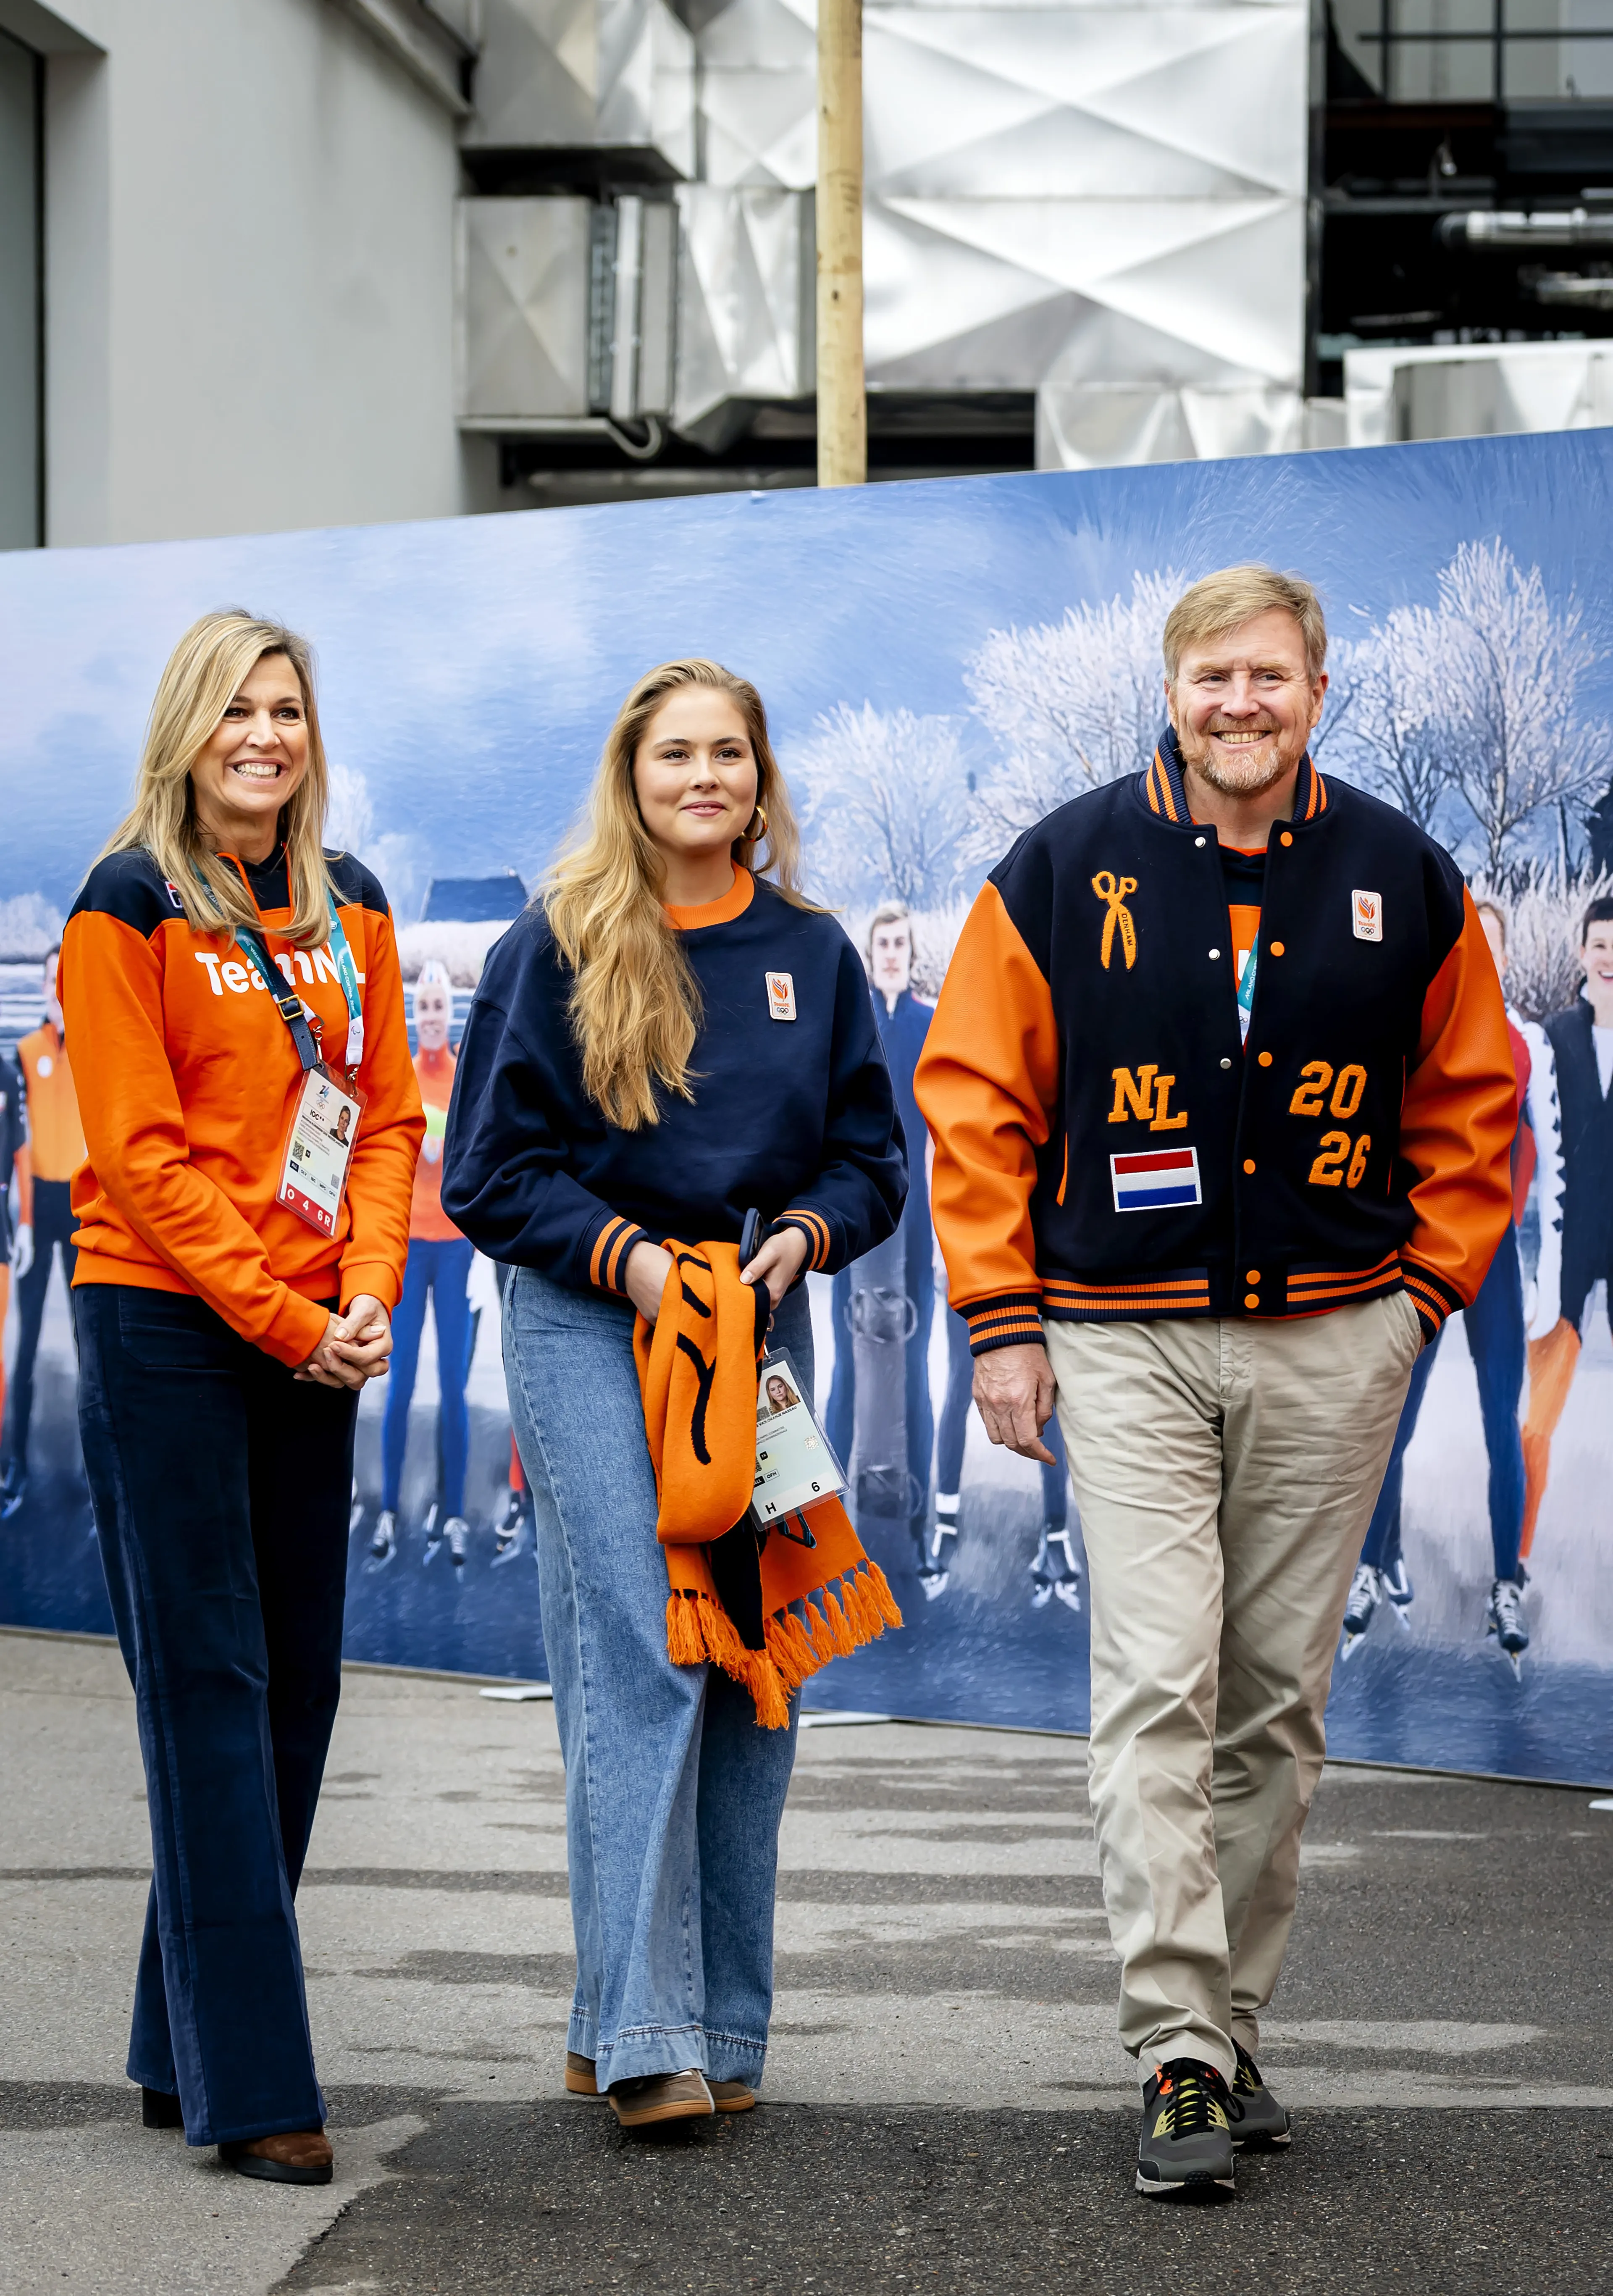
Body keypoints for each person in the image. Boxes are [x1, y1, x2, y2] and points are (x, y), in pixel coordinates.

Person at [916, 565, 1514, 2198]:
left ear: (1319, 691)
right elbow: (974, 1101)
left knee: (1275, 1703)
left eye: (1268, 677)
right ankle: (1179, 2047)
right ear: (1168, 689)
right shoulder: (1061, 867)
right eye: (1210, 678)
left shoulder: (1402, 870)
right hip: (1124, 1331)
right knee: (1155, 1683)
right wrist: (1003, 1319)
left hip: (1334, 1335)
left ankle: (1231, 2020)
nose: (1238, 705)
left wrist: (1420, 1300)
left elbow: (1476, 1107)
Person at [443, 657, 905, 2130]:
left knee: (753, 1674)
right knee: (647, 1649)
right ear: (630, 778)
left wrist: (797, 1240)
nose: (704, 777)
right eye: (674, 756)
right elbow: (490, 1173)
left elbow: (870, 1162)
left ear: (761, 777)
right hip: (595, 1316)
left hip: (757, 1336)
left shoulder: (813, 954)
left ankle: (706, 2018)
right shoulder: (556, 943)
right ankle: (646, 2032)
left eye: (729, 754)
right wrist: (633, 1263)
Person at [62, 612, 423, 2185]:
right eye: (235, 711)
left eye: (285, 710)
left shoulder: (354, 904)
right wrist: (285, 1314)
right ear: (187, 729)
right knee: (209, 1682)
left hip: (308, 1330)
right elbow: (137, 1153)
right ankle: (256, 2082)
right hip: (166, 1323)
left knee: (293, 1687)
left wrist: (367, 1287)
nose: (263, 737)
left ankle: (176, 2032)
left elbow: (391, 1112)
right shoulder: (124, 899)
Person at [1341, 898, 1542, 1673]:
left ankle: (1505, 1583)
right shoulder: (1411, 1028)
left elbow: (1545, 1160)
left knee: (1501, 1425)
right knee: (1392, 1421)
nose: (1478, 960)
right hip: (1420, 1253)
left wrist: (1547, 1264)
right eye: (1468, 947)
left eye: (1490, 947)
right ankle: (1368, 1565)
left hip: (1490, 1260)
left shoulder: (1523, 1044)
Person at [824, 904, 940, 1587]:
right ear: (870, 956)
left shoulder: (929, 1026)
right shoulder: (852, 1024)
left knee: (916, 1374)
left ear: (909, 952)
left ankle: (921, 1528)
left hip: (916, 1224)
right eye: (882, 944)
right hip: (858, 1219)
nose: (891, 953)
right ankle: (834, 1527)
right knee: (846, 1372)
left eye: (899, 943)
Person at [368, 959, 475, 1570]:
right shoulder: (403, 1079)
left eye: (439, 1007)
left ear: (449, 1013)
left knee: (454, 1389)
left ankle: (455, 1512)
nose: (431, 1017)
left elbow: (479, 1158)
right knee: (401, 1384)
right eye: (423, 1008)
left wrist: (448, 1152)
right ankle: (389, 1509)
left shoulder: (463, 1081)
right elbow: (381, 1158)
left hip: (456, 1248)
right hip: (410, 1247)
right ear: (413, 1016)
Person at [1517, 895, 1613, 1558]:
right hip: (1568, 1240)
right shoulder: (1554, 1036)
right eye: (1601, 944)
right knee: (1540, 1415)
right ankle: (1517, 1550)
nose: (1611, 958)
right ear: (1582, 951)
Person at [0, 945, 87, 1519]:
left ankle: (94, 1470)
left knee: (89, 1344)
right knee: (27, 1343)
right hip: (41, 1203)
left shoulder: (92, 1044)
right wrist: (24, 1220)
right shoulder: (26, 1053)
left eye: (65, 975)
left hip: (83, 1205)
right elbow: (20, 1143)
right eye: (50, 976)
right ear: (41, 982)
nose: (57, 984)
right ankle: (17, 1466)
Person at [933, 1306, 1082, 1610]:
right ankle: (946, 1520)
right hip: (977, 1278)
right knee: (962, 1380)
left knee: (1047, 1390)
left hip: (1047, 1277)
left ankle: (1056, 1528)